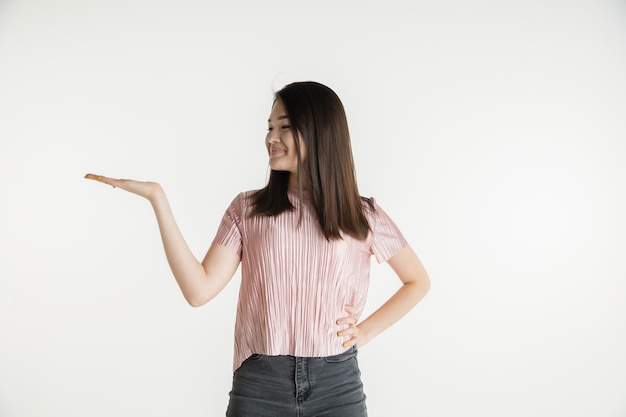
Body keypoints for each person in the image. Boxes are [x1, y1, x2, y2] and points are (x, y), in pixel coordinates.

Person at [85, 81, 430, 417]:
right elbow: (198, 290)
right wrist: (157, 198)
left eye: (285, 126)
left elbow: (417, 281)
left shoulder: (362, 215)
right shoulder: (247, 209)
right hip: (260, 382)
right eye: (269, 127)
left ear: (320, 131)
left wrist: (365, 331)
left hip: (337, 384)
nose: (271, 138)